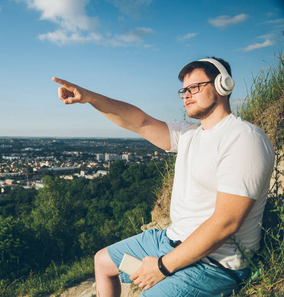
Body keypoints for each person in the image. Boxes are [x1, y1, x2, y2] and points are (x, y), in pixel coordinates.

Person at [52, 57, 275, 297]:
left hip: (216, 263)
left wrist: (162, 266)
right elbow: (139, 121)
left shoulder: (243, 138)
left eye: (195, 88)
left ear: (223, 85)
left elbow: (226, 223)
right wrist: (89, 97)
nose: (186, 95)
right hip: (171, 238)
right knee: (103, 262)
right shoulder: (189, 134)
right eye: (184, 90)